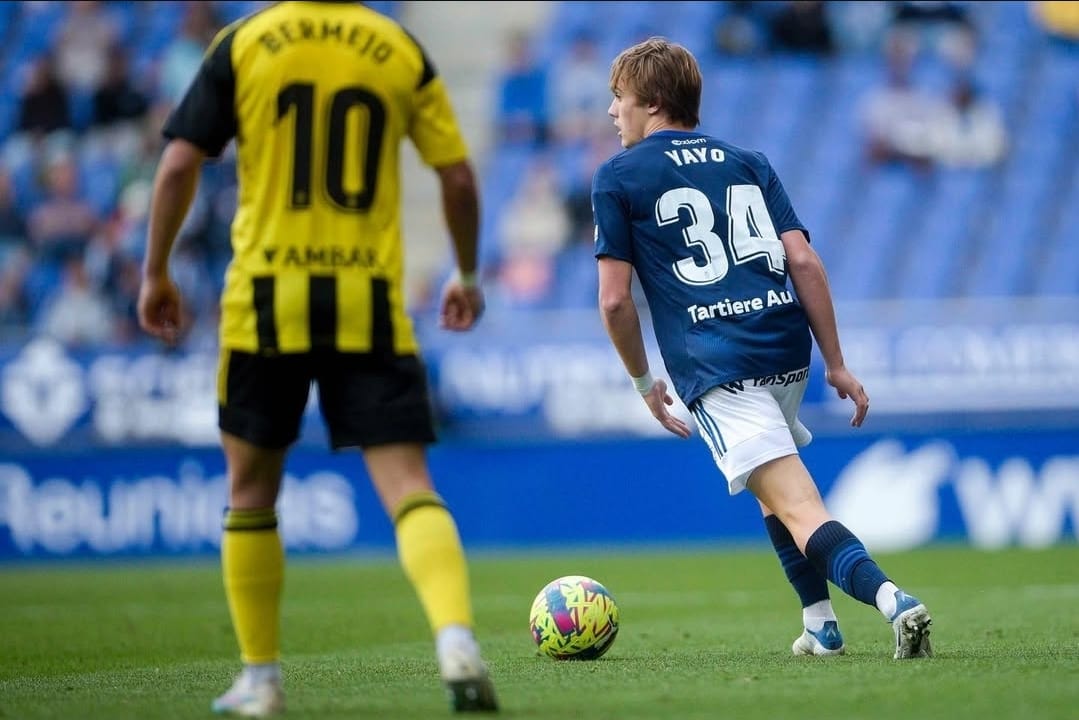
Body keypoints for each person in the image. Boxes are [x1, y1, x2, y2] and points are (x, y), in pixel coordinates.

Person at [137, 2, 498, 716]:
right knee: (409, 486)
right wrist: (465, 273)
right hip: (366, 300)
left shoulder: (244, 42)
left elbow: (180, 161)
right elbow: (456, 178)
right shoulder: (395, 46)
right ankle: (455, 638)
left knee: (249, 493)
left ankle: (261, 681)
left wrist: (155, 272)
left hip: (264, 300)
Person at [591, 37, 933, 661]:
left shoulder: (618, 175)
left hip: (717, 363)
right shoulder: (748, 159)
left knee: (799, 506)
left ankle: (896, 603)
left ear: (655, 103)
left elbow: (614, 302)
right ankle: (821, 625)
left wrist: (645, 385)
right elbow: (802, 258)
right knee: (773, 492)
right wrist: (835, 361)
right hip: (785, 350)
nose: (613, 112)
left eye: (620, 97)